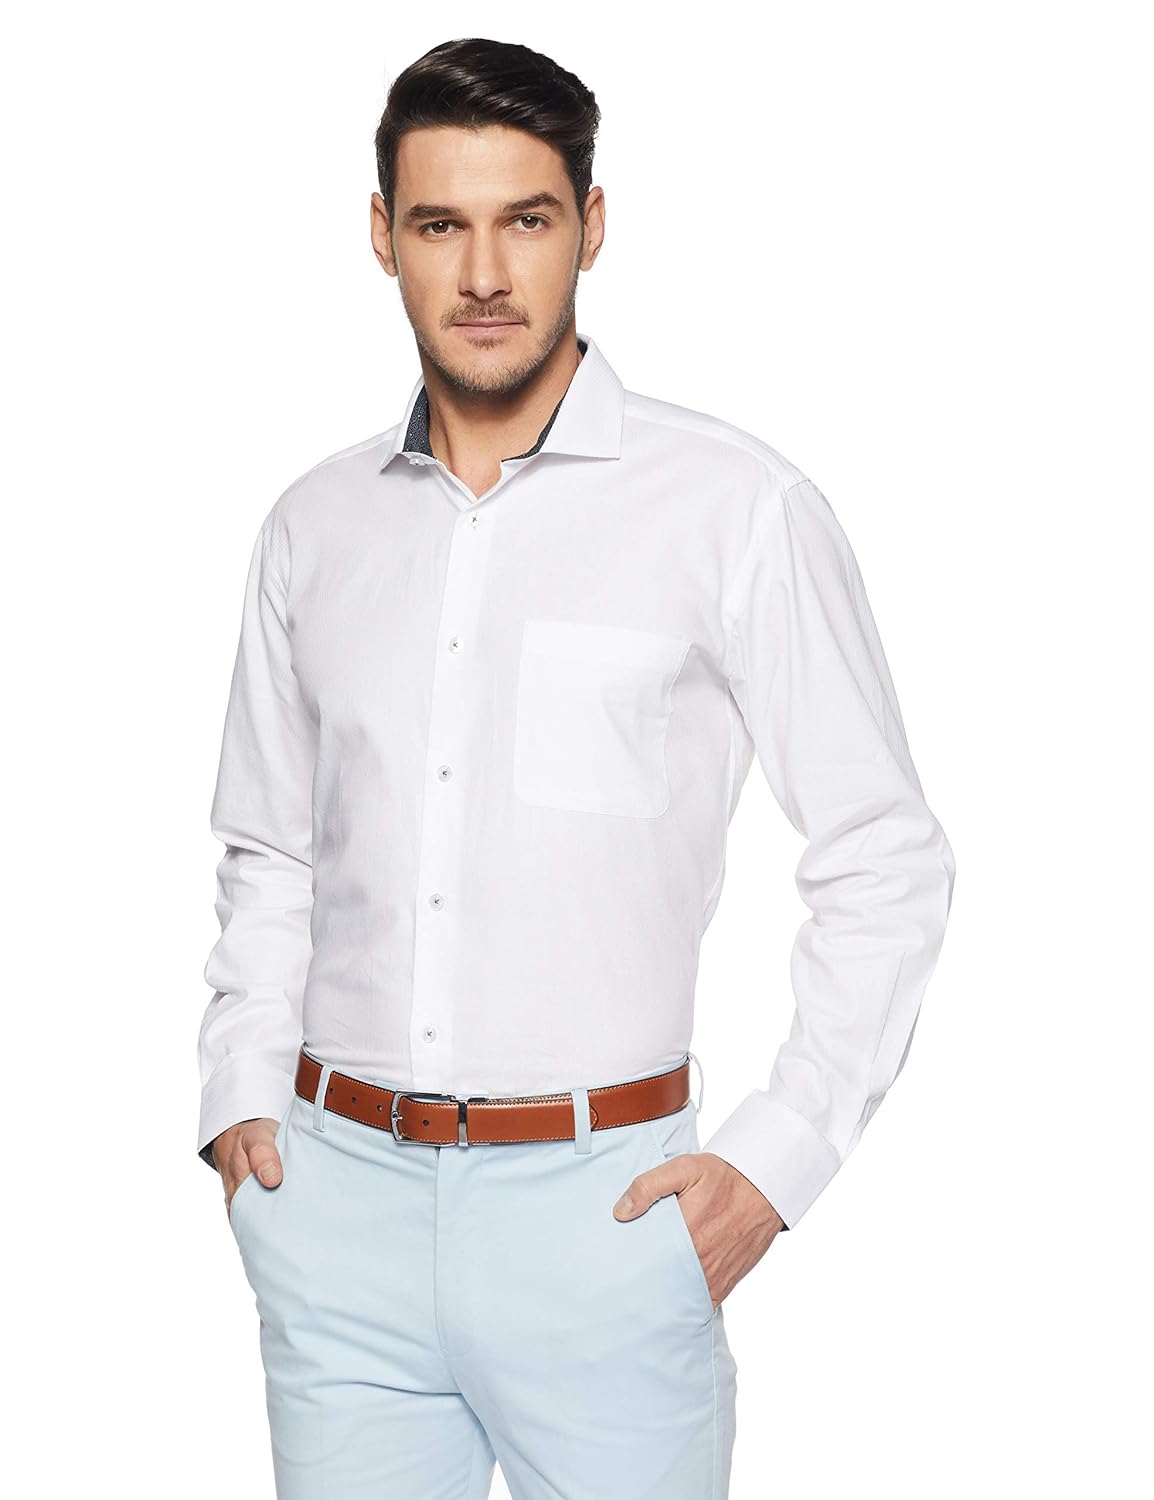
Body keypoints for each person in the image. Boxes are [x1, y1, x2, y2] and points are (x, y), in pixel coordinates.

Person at [196, 35, 956, 1500]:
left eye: (526, 220)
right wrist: (240, 1103)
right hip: (332, 1211)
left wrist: (772, 1168)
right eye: (441, 224)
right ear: (382, 236)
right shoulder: (313, 527)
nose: (485, 273)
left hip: (606, 1220)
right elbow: (271, 848)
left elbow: (884, 855)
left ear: (590, 228)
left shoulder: (735, 507)